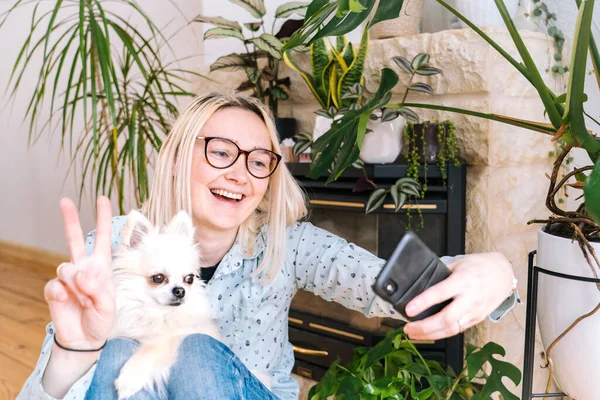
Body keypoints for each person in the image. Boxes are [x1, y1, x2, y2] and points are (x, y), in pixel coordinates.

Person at [17, 92, 519, 400]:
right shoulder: (117, 245)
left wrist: (495, 272)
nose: (241, 172)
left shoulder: (287, 245)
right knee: (117, 354)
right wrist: (73, 349)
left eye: (260, 160)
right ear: (175, 159)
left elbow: (385, 283)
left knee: (192, 351)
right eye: (220, 152)